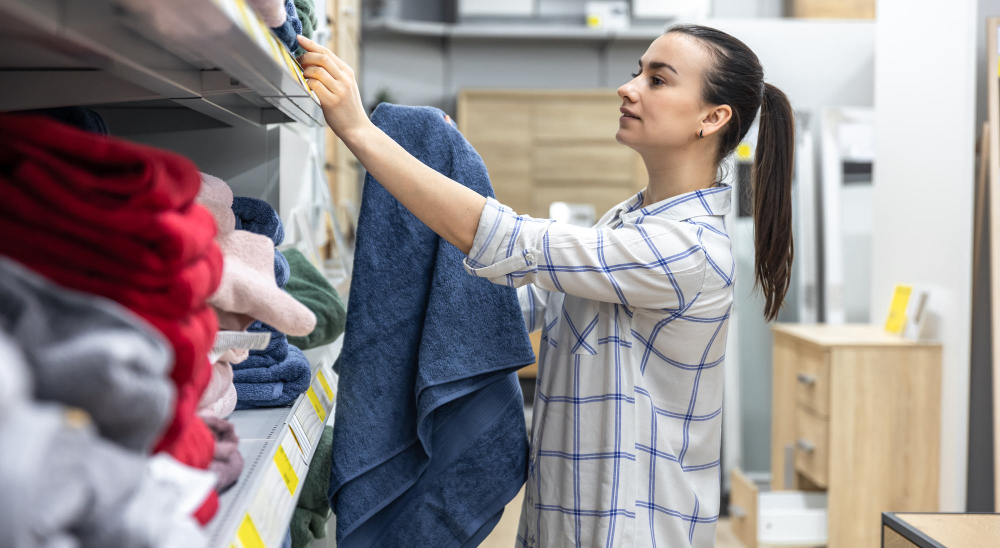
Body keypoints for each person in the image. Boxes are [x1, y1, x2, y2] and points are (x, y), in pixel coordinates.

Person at [296, 22, 794, 548]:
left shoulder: (689, 250)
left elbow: (509, 239)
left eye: (658, 80)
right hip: (561, 522)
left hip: (631, 532)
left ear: (713, 118)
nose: (629, 88)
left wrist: (362, 132)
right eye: (636, 73)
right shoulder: (625, 222)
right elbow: (508, 307)